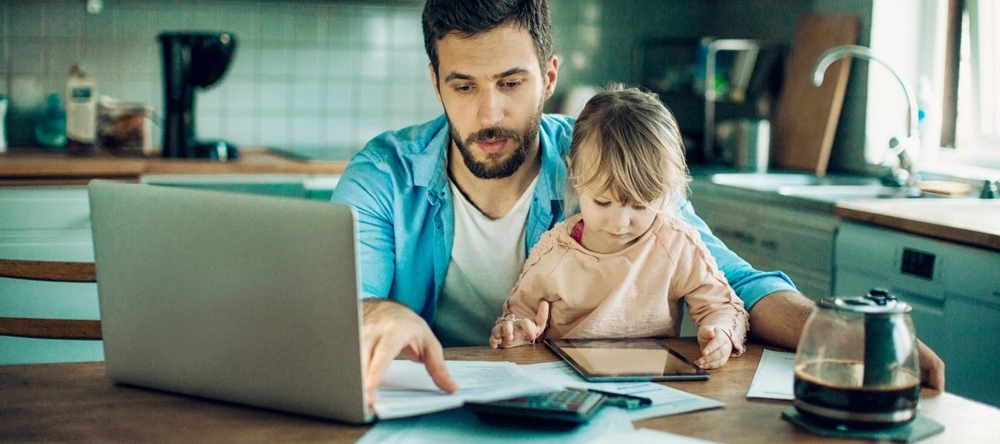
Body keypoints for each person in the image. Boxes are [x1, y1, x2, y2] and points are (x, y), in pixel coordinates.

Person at [330, 0, 945, 404]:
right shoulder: (384, 173)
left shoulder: (602, 157)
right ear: (434, 80)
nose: (489, 112)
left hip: (584, 415)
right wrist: (375, 313)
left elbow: (733, 281)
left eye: (511, 83)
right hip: (433, 409)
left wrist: (837, 334)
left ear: (548, 77)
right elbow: (343, 302)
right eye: (463, 85)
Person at [489, 85, 747, 370]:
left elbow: (722, 306)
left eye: (640, 205)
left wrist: (720, 333)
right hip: (566, 379)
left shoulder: (674, 244)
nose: (621, 222)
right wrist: (516, 333)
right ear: (574, 174)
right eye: (602, 202)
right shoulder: (555, 252)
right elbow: (517, 316)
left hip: (650, 381)